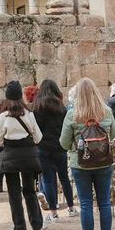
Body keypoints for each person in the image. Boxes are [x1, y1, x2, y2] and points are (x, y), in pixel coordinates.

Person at [60, 78, 115, 230]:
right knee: (105, 203)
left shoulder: (72, 114)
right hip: (104, 163)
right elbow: (114, 135)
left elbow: (63, 142)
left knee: (85, 204)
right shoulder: (106, 112)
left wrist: (74, 147)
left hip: (80, 164)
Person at [0, 80, 48, 230]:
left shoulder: (3, 116)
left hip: (10, 156)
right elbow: (38, 137)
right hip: (28, 156)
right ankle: (37, 224)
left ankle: (20, 227)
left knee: (14, 193)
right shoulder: (29, 114)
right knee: (30, 190)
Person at [33, 79, 77, 221]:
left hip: (43, 147)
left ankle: (53, 213)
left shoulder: (36, 107)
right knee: (64, 178)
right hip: (59, 147)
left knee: (48, 180)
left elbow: (35, 129)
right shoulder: (61, 108)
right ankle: (71, 208)